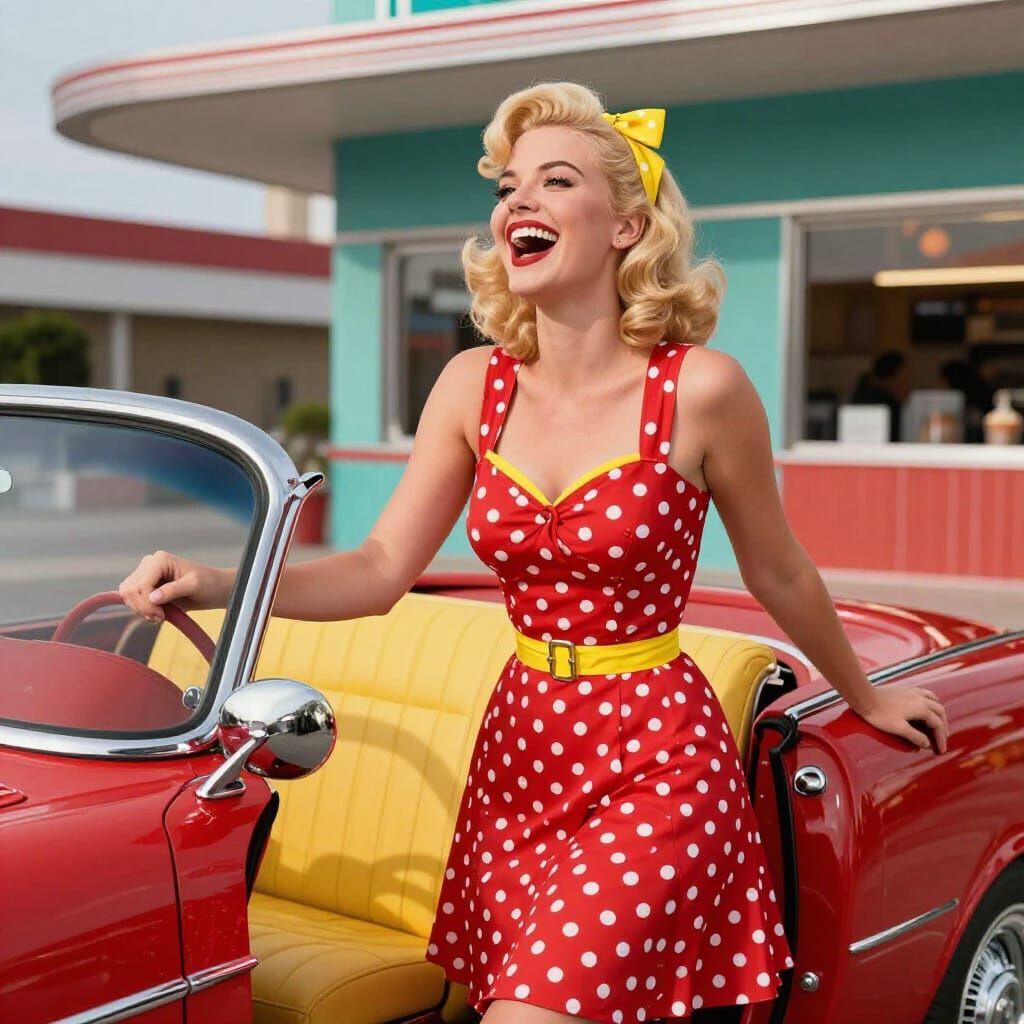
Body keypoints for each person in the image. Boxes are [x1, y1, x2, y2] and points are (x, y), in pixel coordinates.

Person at [119, 82, 949, 1024]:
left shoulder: (702, 389)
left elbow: (780, 571)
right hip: (519, 748)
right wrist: (227, 581)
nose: (519, 202)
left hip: (656, 754)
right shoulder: (473, 385)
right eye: (509, 186)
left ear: (628, 227)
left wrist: (869, 692)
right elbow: (381, 567)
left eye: (556, 182)